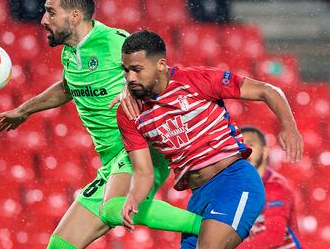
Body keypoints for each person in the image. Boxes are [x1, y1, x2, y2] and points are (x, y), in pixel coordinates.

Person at [0, 0, 201, 249]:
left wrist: (133, 90)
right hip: (111, 162)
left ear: (75, 16)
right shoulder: (69, 53)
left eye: (51, 12)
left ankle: (208, 227)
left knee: (113, 208)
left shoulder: (114, 42)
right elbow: (67, 88)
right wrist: (24, 110)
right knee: (59, 245)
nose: (44, 19)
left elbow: (160, 74)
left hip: (139, 148)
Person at [116, 30, 304, 248]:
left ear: (160, 65)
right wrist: (133, 197)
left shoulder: (197, 80)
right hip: (198, 197)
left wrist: (290, 128)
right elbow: (143, 171)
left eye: (137, 70)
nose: (130, 78)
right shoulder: (128, 113)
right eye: (126, 70)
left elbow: (266, 90)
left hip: (233, 181)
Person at [237, 126, 302, 249]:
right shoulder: (238, 188)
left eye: (251, 144)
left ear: (265, 152)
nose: (246, 150)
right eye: (241, 146)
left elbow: (274, 235)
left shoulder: (275, 186)